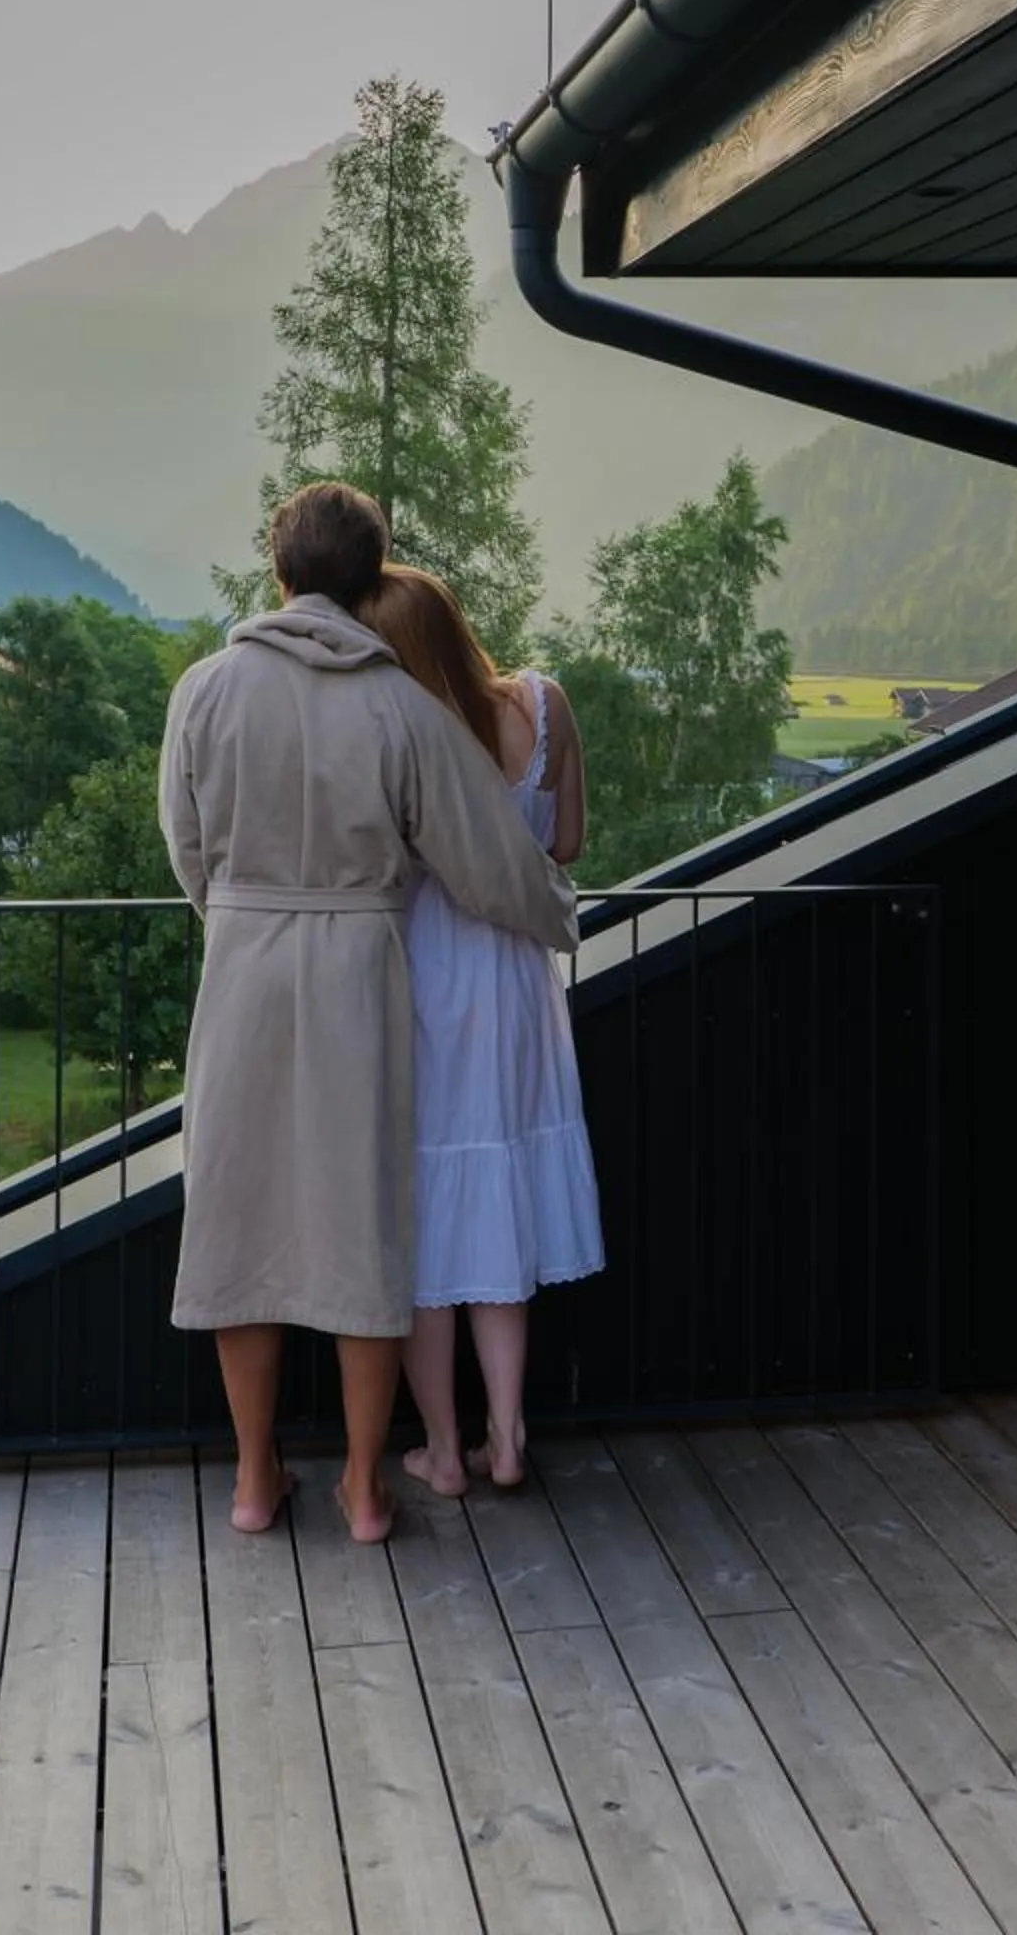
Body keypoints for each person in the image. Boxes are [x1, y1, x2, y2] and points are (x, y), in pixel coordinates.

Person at [159, 485, 578, 1543]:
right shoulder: (399, 706)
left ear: (280, 568)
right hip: (359, 976)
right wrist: (559, 914)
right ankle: (360, 1489)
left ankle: (253, 1482)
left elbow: (186, 844)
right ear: (371, 573)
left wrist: (242, 916)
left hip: (243, 970)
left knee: (239, 1223)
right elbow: (487, 859)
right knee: (366, 1232)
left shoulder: (204, 690)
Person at [352, 565, 603, 1494]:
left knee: (429, 1217)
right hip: (519, 976)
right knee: (498, 1201)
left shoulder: (404, 732)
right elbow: (566, 845)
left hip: (429, 977)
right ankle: (508, 1436)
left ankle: (443, 1450)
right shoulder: (545, 703)